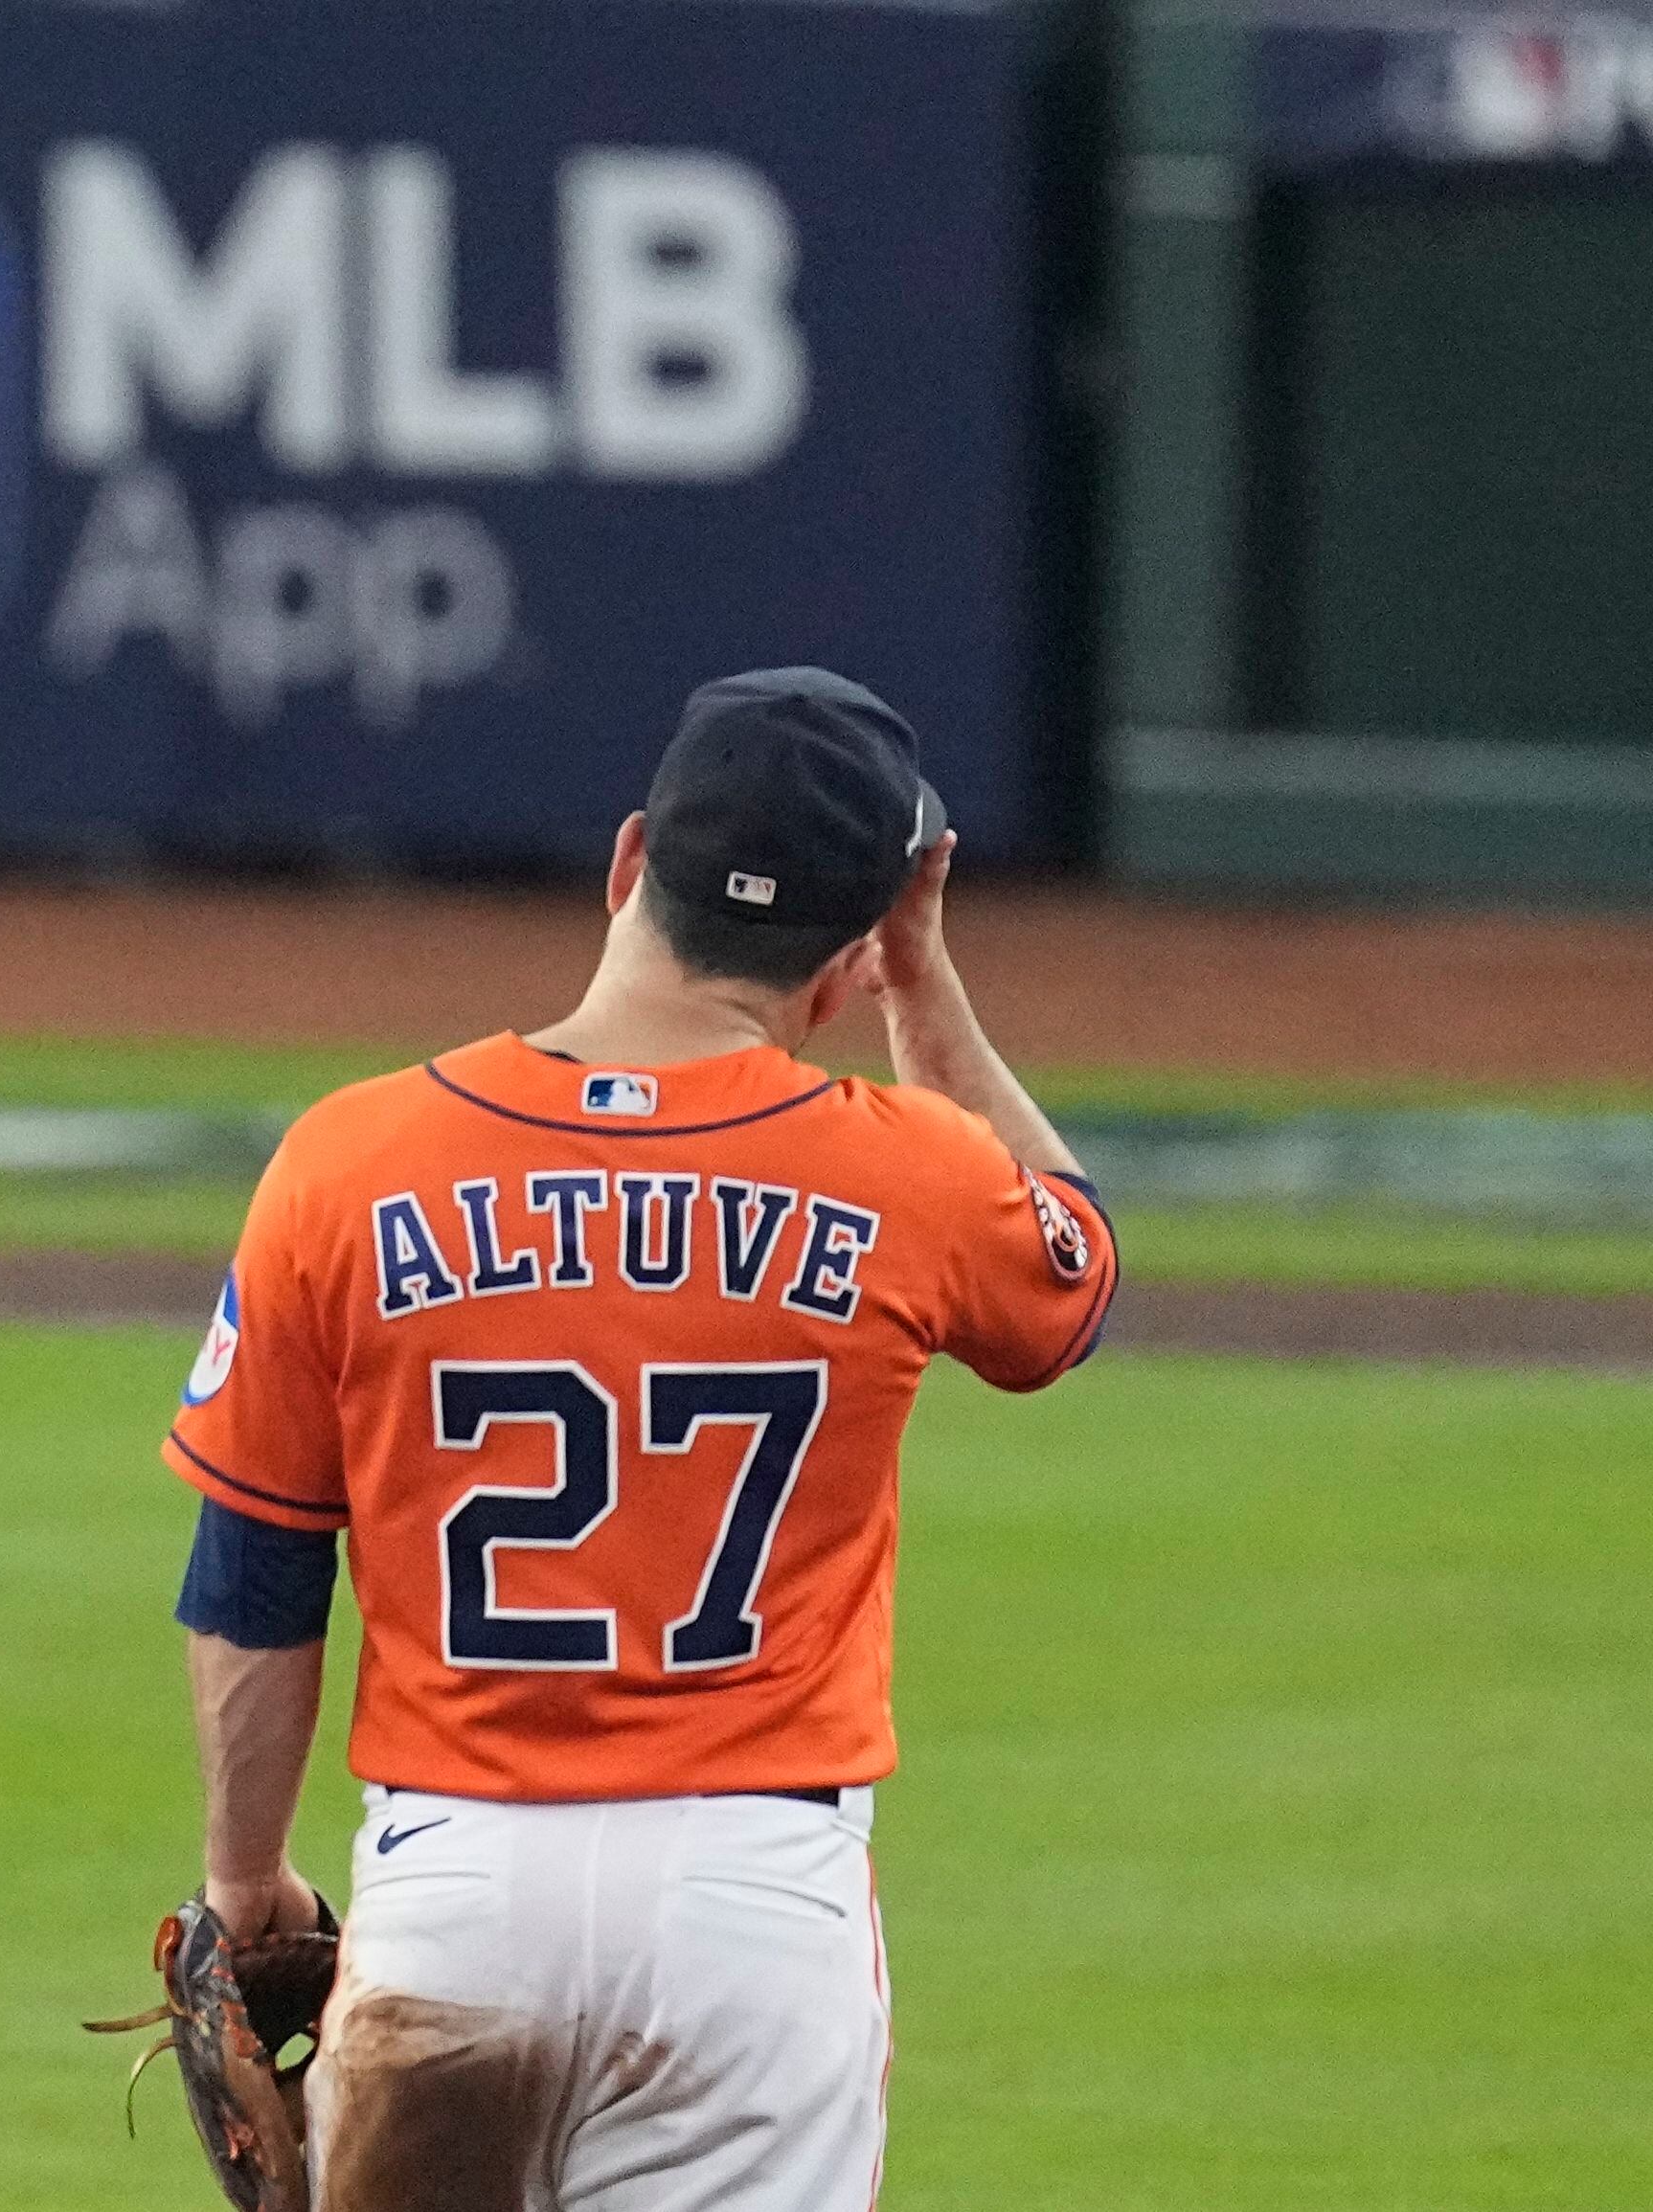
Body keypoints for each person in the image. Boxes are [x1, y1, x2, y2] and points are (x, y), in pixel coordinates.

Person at [159, 669, 1116, 2211]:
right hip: (752, 1913)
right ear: (844, 957)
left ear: (627, 866)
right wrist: (925, 990)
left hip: (455, 1896)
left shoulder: (347, 1161)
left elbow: (257, 1567)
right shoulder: (911, 1178)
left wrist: (243, 1875)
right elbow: (1073, 1273)